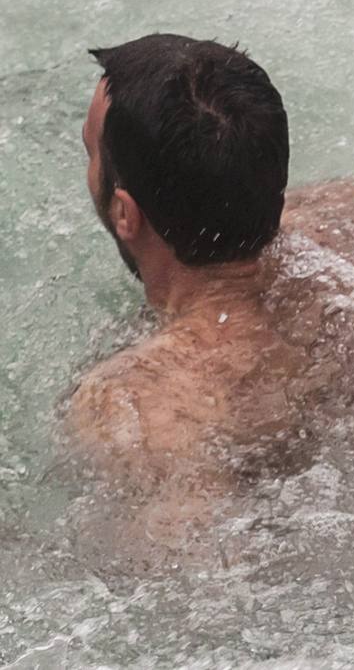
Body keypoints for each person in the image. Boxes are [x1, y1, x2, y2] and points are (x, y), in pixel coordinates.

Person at [66, 34, 331, 522]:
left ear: (125, 213)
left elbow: (180, 575)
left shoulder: (132, 400)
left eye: (90, 152)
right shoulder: (338, 228)